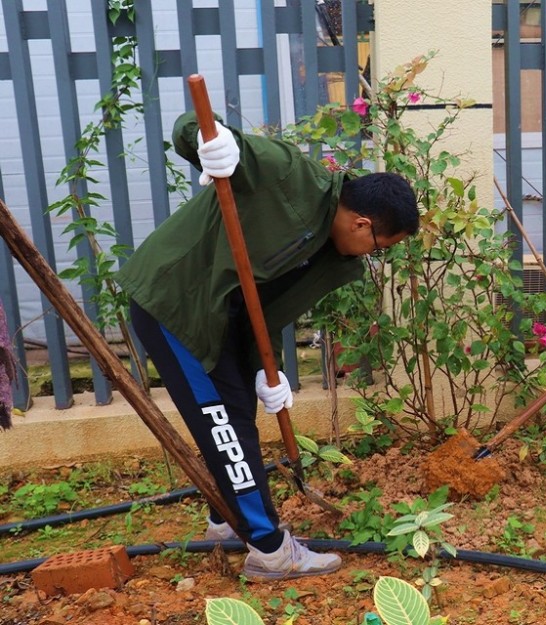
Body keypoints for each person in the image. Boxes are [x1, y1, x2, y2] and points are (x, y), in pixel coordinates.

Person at [116, 112, 419, 577]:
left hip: (228, 318)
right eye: (380, 246)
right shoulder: (288, 175)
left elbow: (269, 308)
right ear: (362, 223)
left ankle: (224, 519)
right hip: (177, 302)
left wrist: (267, 367)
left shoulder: (332, 257)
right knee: (224, 425)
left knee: (238, 414)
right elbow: (192, 128)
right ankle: (270, 550)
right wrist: (207, 141)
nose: (375, 256)